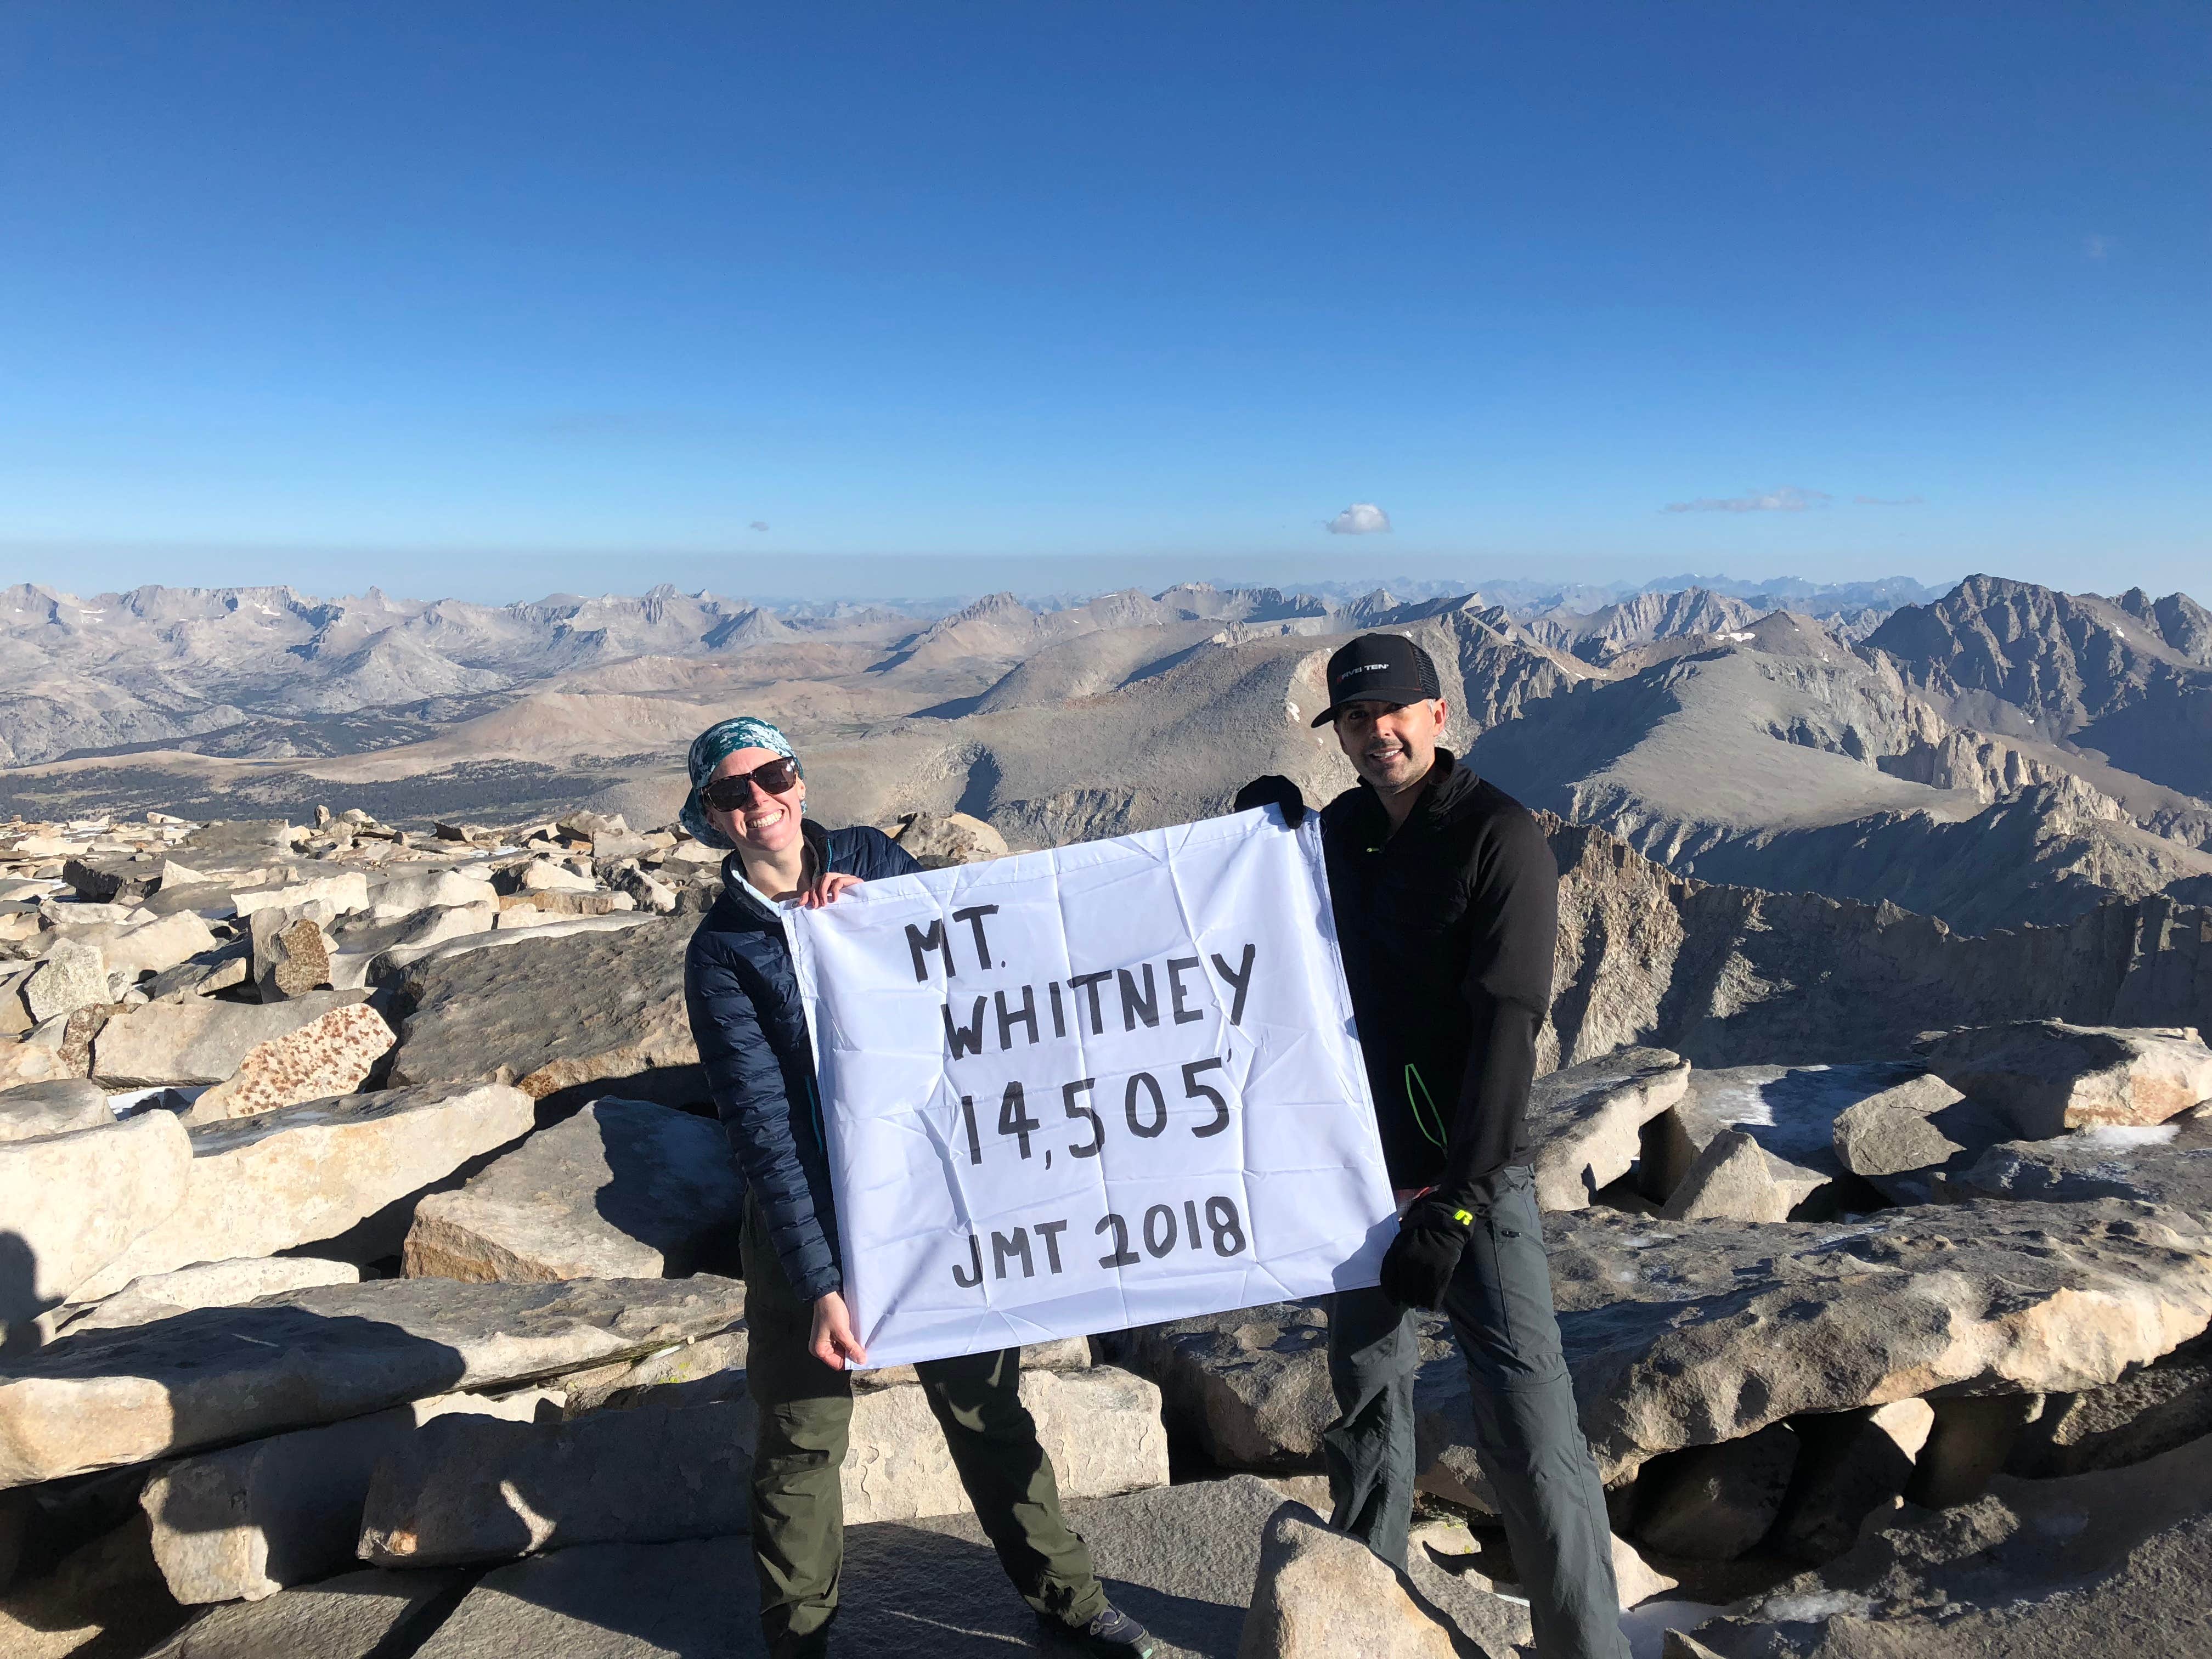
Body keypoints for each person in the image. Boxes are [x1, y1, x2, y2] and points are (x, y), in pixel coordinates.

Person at [680, 715, 1155, 1659]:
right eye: (732, 792)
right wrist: (820, 1281)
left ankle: (1071, 1597)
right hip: (805, 1219)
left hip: (935, 1196)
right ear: (711, 816)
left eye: (772, 776)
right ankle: (801, 1638)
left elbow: (988, 968)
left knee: (986, 1407)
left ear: (801, 781)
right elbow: (763, 1130)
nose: (759, 801)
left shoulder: (872, 862)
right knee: (803, 1438)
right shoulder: (723, 952)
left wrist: (888, 915)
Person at [1237, 635, 1628, 1659]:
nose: (1378, 735)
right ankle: (1363, 1618)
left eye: (1396, 713)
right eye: (1357, 721)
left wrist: (1455, 1203)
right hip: (1353, 1172)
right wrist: (1263, 840)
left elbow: (1509, 1025)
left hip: (1469, 1182)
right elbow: (1273, 938)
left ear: (1440, 714)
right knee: (1367, 1403)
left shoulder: (1501, 837)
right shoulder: (1346, 832)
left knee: (1533, 1435)